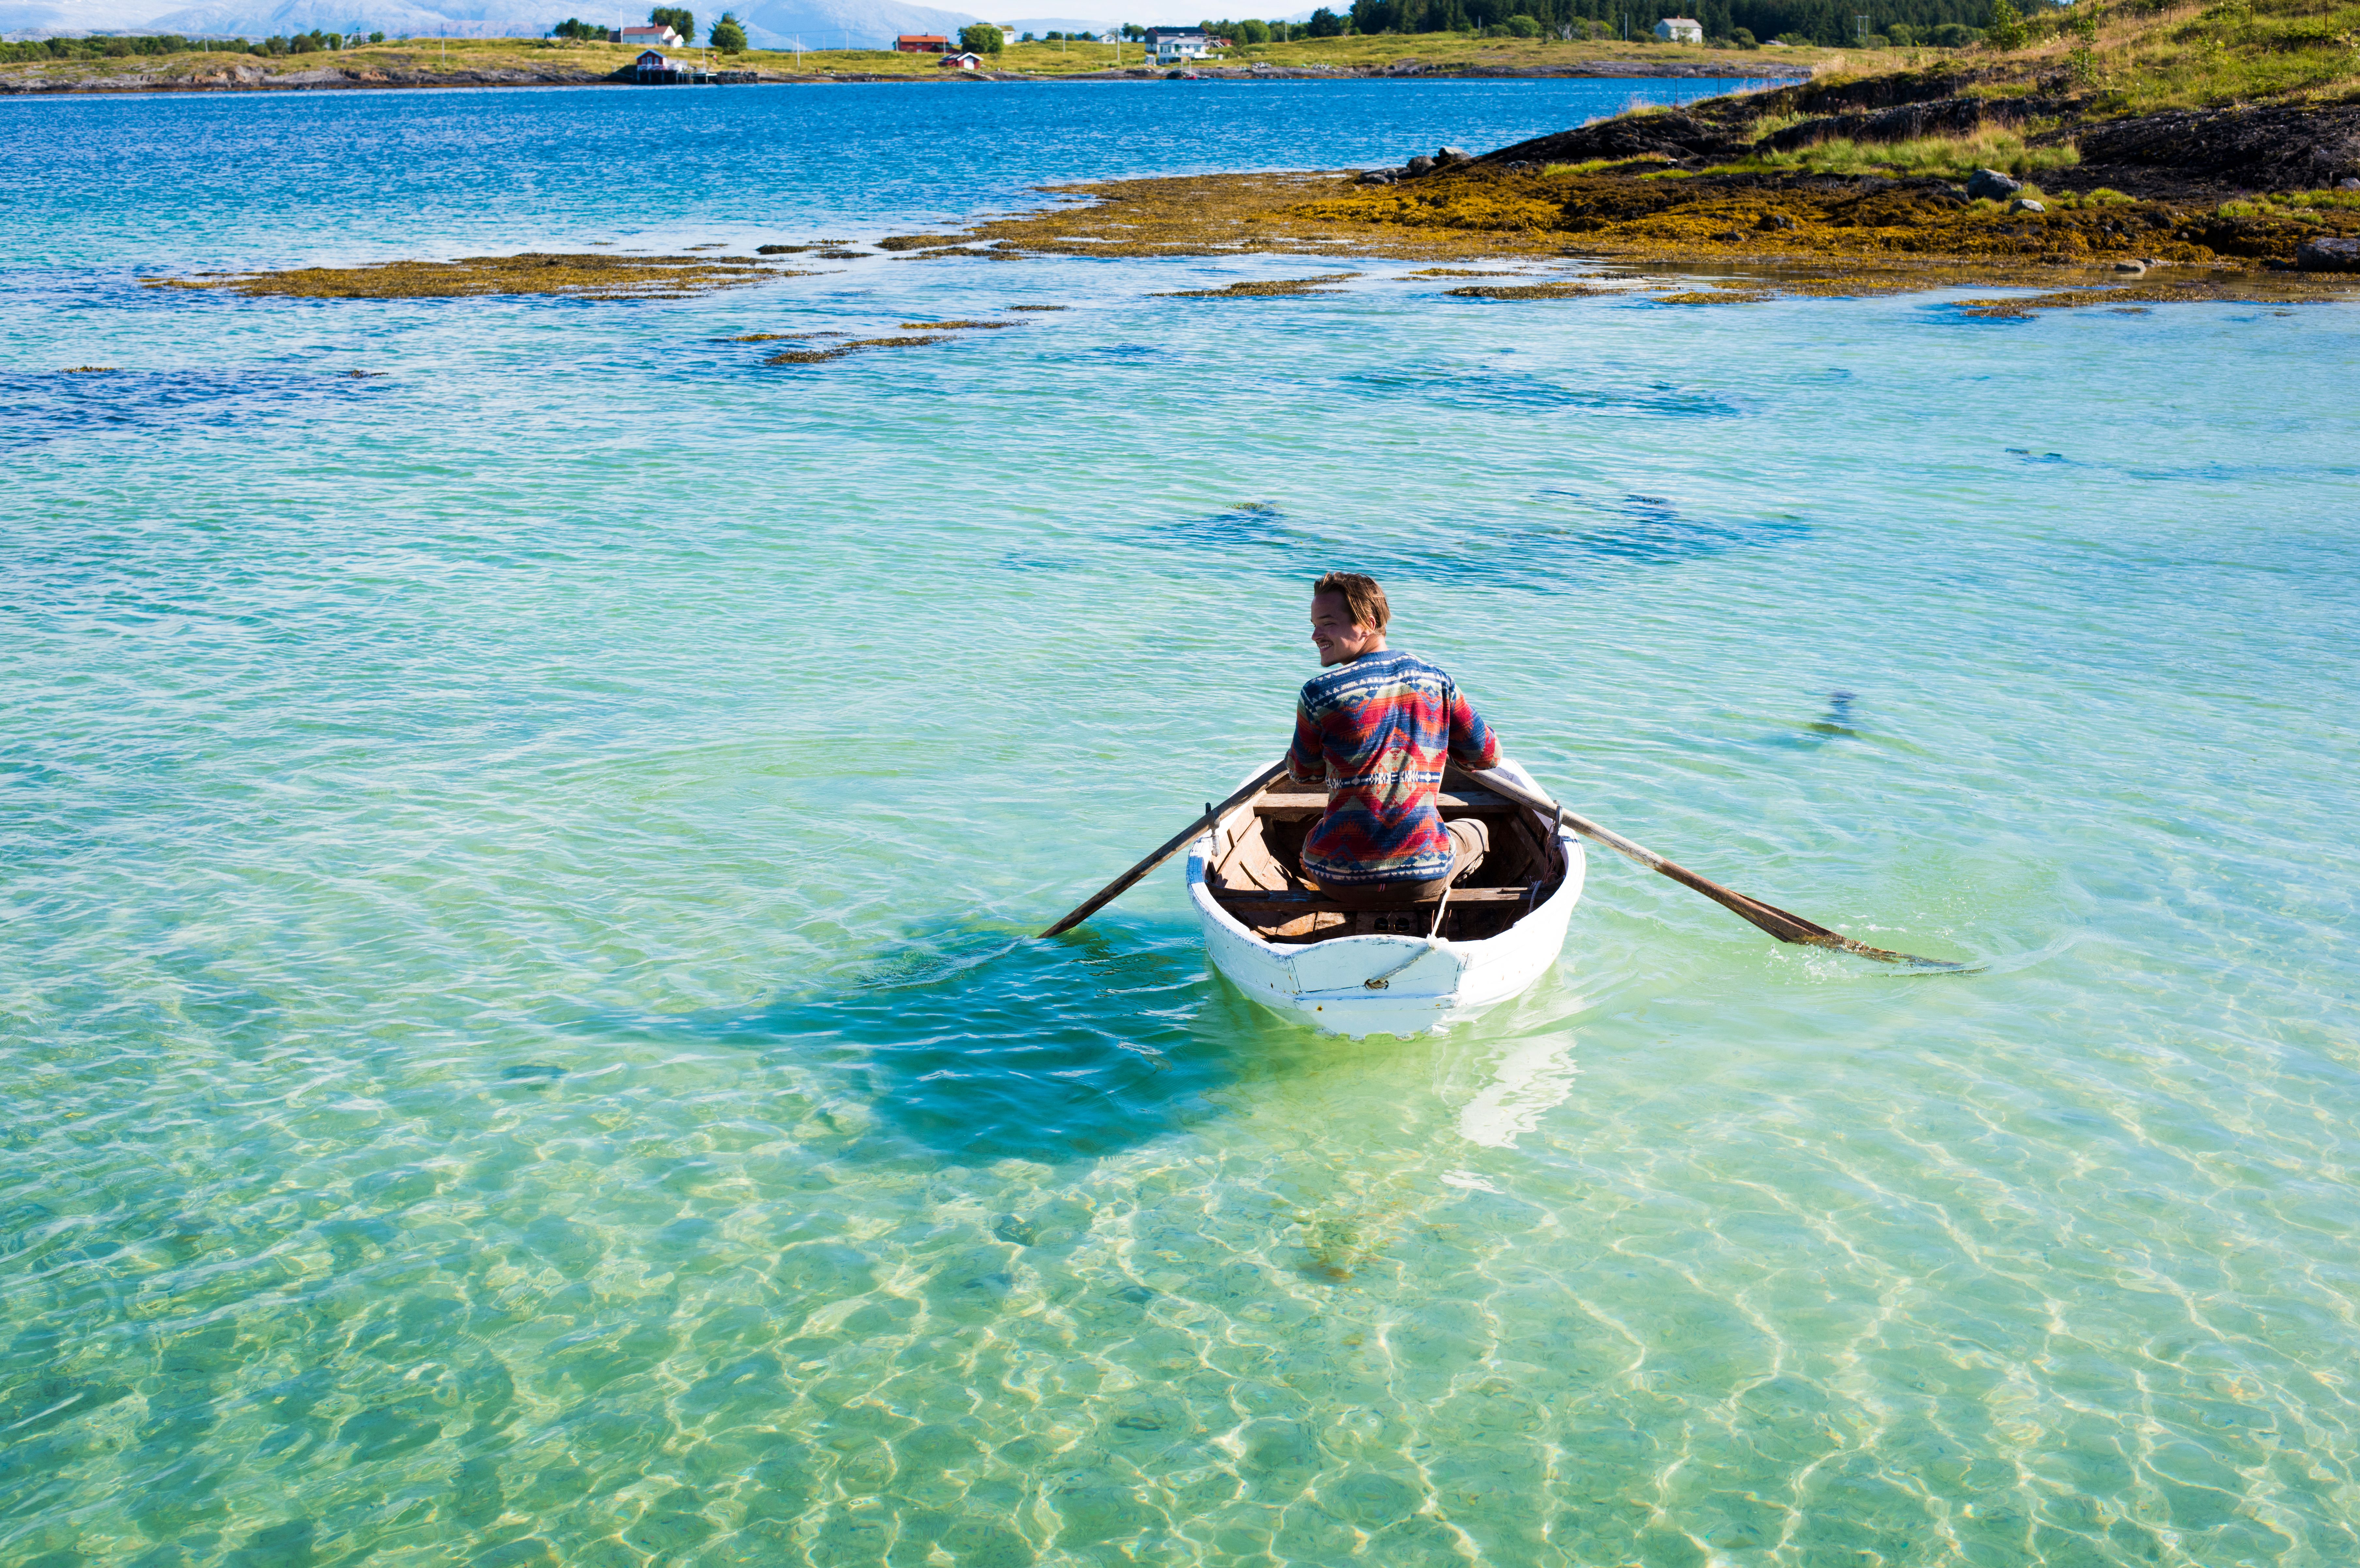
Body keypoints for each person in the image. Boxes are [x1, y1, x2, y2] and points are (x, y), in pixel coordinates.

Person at [1285, 572, 1502, 909]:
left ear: (1367, 623)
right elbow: (1486, 757)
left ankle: (1316, 869)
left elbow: (1301, 774)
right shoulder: (1439, 683)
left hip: (1338, 883)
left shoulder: (1319, 694)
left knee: (1315, 838)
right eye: (1314, 625)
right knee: (1476, 829)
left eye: (1327, 624)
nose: (1315, 635)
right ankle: (1447, 898)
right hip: (1423, 879)